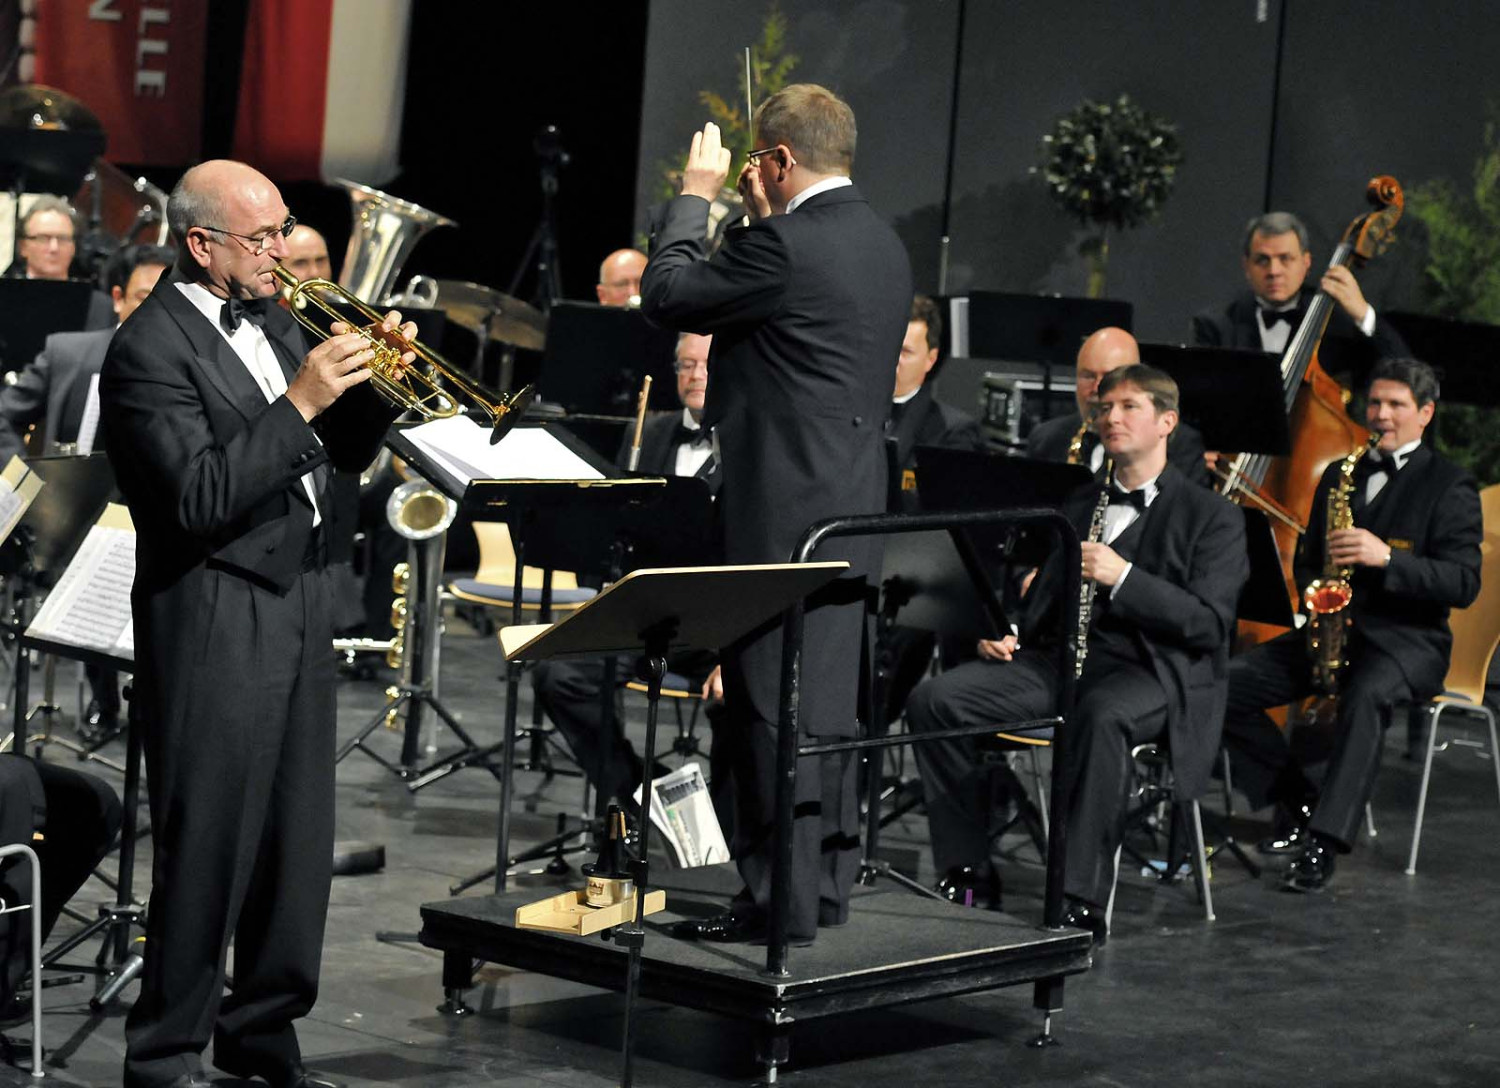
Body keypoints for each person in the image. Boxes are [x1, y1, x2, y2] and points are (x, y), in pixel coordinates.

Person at [101, 159, 407, 1088]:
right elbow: (197, 497)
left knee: (293, 838)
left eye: (283, 230)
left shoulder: (275, 317)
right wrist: (303, 397)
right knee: (211, 841)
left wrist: (377, 384)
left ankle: (263, 1036)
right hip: (214, 608)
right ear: (201, 244)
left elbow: (334, 454)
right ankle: (165, 1055)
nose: (283, 250)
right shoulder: (148, 349)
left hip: (301, 593)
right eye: (263, 237)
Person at [641, 84, 912, 945]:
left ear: (782, 159)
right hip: (851, 509)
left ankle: (775, 906)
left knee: (764, 710)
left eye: (759, 159)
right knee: (823, 708)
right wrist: (759, 223)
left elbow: (670, 295)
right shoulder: (883, 243)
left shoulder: (786, 246)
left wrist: (696, 196)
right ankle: (819, 889)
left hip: (780, 516)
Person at [906, 365, 1247, 940]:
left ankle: (1078, 899)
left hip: (1153, 670)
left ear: (1167, 422)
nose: (1111, 417)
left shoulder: (1214, 516)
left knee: (1101, 714)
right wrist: (1009, 629)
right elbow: (1045, 596)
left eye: (1129, 406)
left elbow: (1209, 625)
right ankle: (967, 868)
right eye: (1105, 407)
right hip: (1059, 660)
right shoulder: (1079, 500)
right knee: (935, 701)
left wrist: (1125, 577)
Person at [1221, 357, 1481, 892]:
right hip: (1333, 633)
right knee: (1219, 687)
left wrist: (1388, 558)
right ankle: (1296, 798)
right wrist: (1316, 599)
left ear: (1425, 413)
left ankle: (1324, 843)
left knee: (1365, 696)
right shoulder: (1341, 473)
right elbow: (1309, 560)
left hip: (1407, 641)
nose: (1380, 415)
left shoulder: (1449, 485)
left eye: (1396, 405)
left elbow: (1462, 582)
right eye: (1375, 403)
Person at [531, 331, 722, 821]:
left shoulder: (754, 443)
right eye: (685, 365)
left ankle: (724, 826)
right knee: (559, 673)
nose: (695, 375)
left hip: (718, 628)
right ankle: (638, 793)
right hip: (644, 615)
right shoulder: (649, 432)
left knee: (745, 700)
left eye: (706, 363)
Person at [0, 242, 172, 741]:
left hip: (156, 511)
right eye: (142, 297)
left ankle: (154, 704)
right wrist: (33, 481)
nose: (154, 310)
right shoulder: (68, 352)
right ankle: (105, 699)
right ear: (118, 298)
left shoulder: (187, 363)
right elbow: (4, 416)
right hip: (77, 513)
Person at [1191, 211, 1408, 361]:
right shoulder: (1215, 325)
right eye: (1262, 260)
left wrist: (1363, 314)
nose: (1274, 271)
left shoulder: (1336, 323)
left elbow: (1405, 372)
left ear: (1306, 263)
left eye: (1285, 258)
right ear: (1246, 266)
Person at [1027, 326, 1210, 485]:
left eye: (1109, 377)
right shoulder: (1046, 439)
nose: (1097, 388)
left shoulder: (1181, 445)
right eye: (1088, 376)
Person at [2, 197, 114, 331]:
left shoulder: (101, 307)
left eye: (63, 238)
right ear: (23, 247)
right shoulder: (4, 298)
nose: (54, 248)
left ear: (73, 247)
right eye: (43, 238)